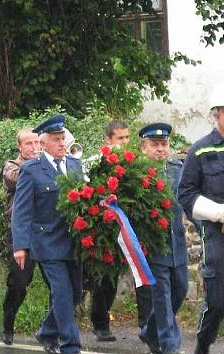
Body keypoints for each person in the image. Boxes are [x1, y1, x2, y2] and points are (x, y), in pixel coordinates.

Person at [12, 115, 83, 354]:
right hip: (47, 242)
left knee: (75, 293)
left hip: (72, 240)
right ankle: (70, 346)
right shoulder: (31, 170)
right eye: (56, 139)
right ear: (43, 144)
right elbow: (22, 210)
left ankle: (47, 332)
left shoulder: (75, 165)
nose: (62, 143)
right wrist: (20, 245)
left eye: (63, 138)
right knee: (62, 293)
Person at [88, 120, 154, 342]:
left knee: (142, 274)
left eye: (127, 137)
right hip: (107, 227)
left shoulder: (135, 162)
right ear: (108, 140)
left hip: (132, 228)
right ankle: (100, 323)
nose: (125, 142)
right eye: (120, 138)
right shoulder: (95, 163)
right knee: (106, 279)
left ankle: (146, 325)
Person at [177, 92, 224, 354]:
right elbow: (185, 194)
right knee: (217, 301)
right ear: (217, 113)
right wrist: (218, 212)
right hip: (216, 231)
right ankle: (203, 346)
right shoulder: (201, 149)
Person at [137, 123, 188, 354]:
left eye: (164, 144)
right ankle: (170, 346)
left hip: (177, 243)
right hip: (153, 245)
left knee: (181, 290)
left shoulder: (178, 169)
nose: (160, 149)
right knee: (163, 296)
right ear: (144, 147)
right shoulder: (137, 174)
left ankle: (149, 331)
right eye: (155, 145)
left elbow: (189, 200)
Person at [0, 127, 41, 345]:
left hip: (45, 231)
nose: (34, 148)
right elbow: (17, 178)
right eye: (29, 144)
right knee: (19, 282)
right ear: (19, 147)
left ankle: (53, 330)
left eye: (37, 143)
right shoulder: (12, 166)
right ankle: (8, 321)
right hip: (20, 232)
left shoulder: (45, 164)